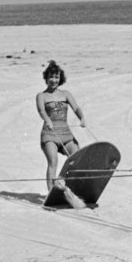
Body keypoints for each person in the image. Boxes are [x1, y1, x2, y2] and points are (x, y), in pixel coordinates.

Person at [36, 60, 88, 205]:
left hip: (65, 133)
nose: (54, 80)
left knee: (76, 158)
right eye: (51, 77)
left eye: (57, 77)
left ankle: (66, 186)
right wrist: (47, 120)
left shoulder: (65, 93)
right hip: (50, 133)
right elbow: (41, 110)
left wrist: (81, 117)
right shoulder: (42, 96)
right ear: (46, 78)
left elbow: (76, 107)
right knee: (53, 161)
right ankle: (51, 193)